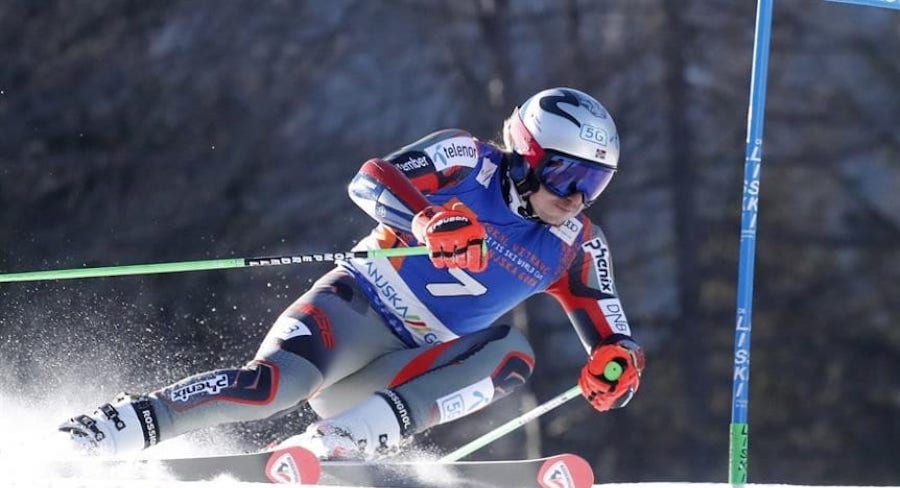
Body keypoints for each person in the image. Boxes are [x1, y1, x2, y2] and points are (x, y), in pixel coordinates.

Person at [59, 87, 645, 459]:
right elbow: (371, 179)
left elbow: (610, 329)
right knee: (272, 389)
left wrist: (618, 363)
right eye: (567, 176)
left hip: (409, 363)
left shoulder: (577, 244)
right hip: (354, 309)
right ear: (526, 154)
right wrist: (426, 221)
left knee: (514, 355)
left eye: (594, 183)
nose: (576, 197)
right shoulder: (467, 159)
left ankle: (347, 441)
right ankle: (124, 423)